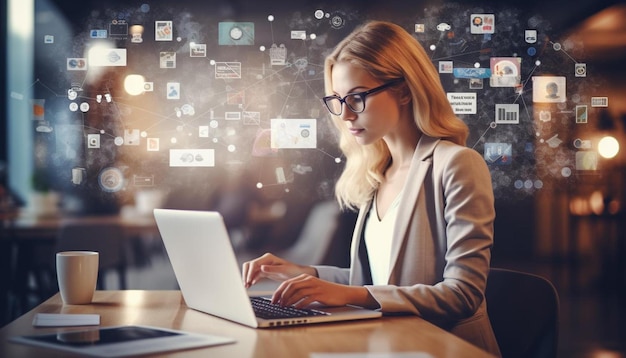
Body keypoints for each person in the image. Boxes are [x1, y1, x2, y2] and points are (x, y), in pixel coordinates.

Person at [242, 20, 500, 356]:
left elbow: (462, 294)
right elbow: (381, 278)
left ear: (404, 90)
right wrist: (306, 272)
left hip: (444, 347)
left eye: (358, 97)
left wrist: (348, 294)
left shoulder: (456, 164)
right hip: (391, 344)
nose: (346, 115)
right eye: (337, 100)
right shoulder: (377, 171)